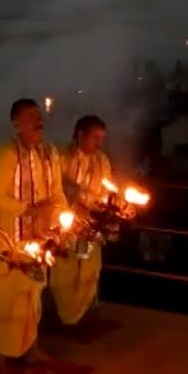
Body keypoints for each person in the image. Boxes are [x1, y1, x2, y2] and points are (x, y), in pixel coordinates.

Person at [0, 98, 67, 374]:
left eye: (38, 116)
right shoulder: (5, 154)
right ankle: (0, 357)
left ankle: (31, 347)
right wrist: (28, 209)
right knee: (5, 298)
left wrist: (64, 221)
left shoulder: (49, 153)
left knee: (33, 295)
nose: (38, 121)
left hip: (40, 238)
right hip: (11, 240)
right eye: (30, 117)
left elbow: (56, 193)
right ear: (16, 124)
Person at [56, 115, 114, 326]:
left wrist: (108, 210)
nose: (99, 143)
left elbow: (106, 190)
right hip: (66, 225)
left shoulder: (102, 160)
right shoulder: (61, 157)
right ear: (80, 135)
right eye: (95, 137)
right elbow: (53, 189)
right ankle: (67, 317)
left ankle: (82, 313)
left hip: (91, 224)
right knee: (65, 270)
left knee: (90, 269)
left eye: (101, 138)